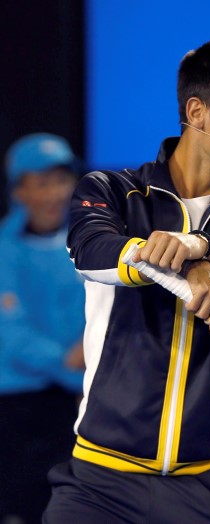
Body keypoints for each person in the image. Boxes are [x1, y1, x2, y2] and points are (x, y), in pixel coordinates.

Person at [42, 39, 210, 524]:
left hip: (209, 487)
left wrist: (201, 248)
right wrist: (183, 265)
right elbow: (91, 254)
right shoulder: (111, 190)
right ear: (197, 112)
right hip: (98, 486)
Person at [0, 133, 86, 524]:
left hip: (81, 408)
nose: (54, 193)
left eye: (60, 180)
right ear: (19, 191)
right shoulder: (4, 248)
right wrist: (69, 360)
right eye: (41, 182)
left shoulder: (91, 242)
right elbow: (11, 333)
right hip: (15, 413)